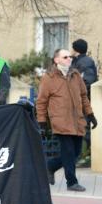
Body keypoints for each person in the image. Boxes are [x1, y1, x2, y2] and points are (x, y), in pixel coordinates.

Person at [37, 48, 97, 192]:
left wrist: (90, 114)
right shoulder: (48, 78)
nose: (69, 59)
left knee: (75, 153)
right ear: (56, 60)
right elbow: (41, 102)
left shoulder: (76, 75)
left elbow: (83, 96)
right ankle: (72, 182)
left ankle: (49, 167)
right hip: (60, 122)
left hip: (77, 121)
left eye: (70, 57)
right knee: (69, 152)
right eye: (65, 57)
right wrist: (42, 122)